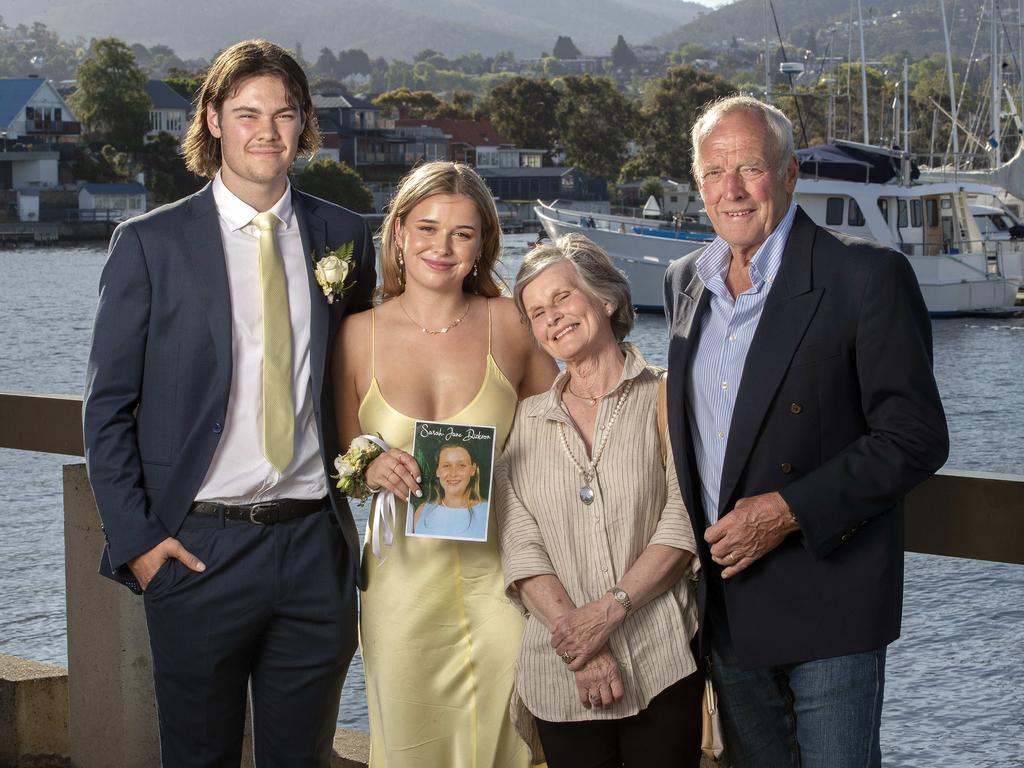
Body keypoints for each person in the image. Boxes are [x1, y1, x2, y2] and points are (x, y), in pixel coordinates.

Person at [82, 40, 376, 767]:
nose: (267, 131)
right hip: (197, 551)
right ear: (213, 119)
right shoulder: (150, 245)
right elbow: (107, 411)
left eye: (284, 114)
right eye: (247, 113)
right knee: (199, 756)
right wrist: (142, 546)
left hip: (315, 546)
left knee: (302, 757)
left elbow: (369, 377)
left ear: (304, 124)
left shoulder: (344, 237)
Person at [664, 95, 949, 767]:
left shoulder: (866, 275)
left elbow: (915, 436)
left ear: (791, 175)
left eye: (751, 168)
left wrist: (789, 509)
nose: (731, 189)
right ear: (698, 182)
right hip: (728, 605)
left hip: (830, 598)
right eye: (713, 171)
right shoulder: (686, 283)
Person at [332, 160, 557, 767]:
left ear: (483, 243)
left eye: (462, 233)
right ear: (399, 232)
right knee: (410, 750)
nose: (442, 247)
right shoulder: (355, 334)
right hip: (400, 586)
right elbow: (341, 449)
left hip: (504, 584)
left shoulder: (512, 323)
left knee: (508, 748)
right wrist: (370, 465)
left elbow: (563, 439)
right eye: (428, 228)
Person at [495, 233, 703, 768]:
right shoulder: (524, 424)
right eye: (537, 312)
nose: (553, 318)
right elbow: (521, 549)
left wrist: (606, 617)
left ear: (606, 299)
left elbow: (682, 527)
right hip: (559, 673)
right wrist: (579, 645)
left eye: (563, 297)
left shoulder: (668, 396)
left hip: (661, 659)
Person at [411, 440, 489, 539]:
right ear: (438, 471)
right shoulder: (422, 511)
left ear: (472, 470)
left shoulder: (487, 511)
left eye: (461, 465)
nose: (453, 473)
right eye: (446, 466)